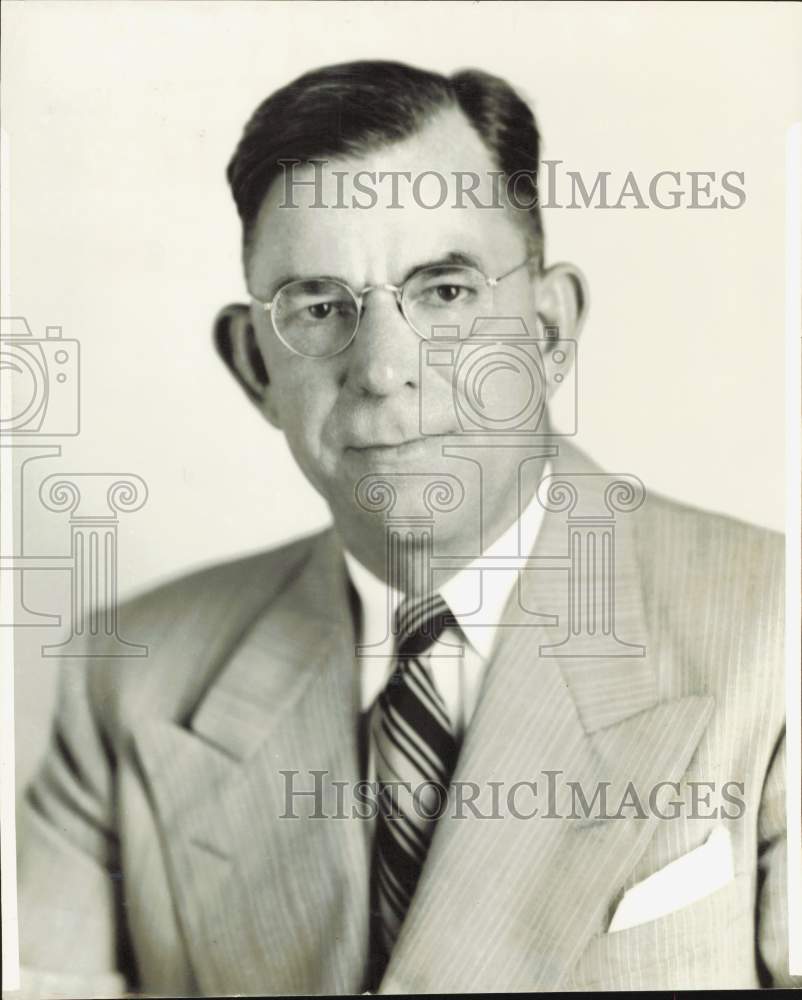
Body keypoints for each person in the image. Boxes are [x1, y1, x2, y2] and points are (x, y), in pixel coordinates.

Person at [17, 60, 795, 994]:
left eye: (446, 293)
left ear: (549, 330)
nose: (384, 369)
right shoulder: (131, 675)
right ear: (255, 366)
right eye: (319, 308)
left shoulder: (773, 632)